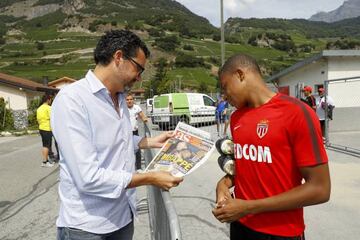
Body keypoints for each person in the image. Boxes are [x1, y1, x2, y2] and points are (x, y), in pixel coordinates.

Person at [51, 30, 183, 240]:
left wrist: (147, 141)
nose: (139, 77)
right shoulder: (72, 100)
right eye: (138, 69)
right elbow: (88, 178)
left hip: (123, 217)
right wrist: (150, 178)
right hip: (88, 227)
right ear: (119, 57)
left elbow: (112, 140)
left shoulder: (120, 97)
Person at [212, 53, 331, 240]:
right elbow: (247, 168)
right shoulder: (237, 118)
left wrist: (248, 207)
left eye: (225, 87)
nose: (225, 96)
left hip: (281, 233)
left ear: (240, 74)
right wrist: (224, 183)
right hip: (240, 226)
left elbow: (320, 189)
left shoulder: (298, 113)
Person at [126, 92, 148, 170]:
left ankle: (138, 168)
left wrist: (144, 119)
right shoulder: (123, 108)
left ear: (133, 100)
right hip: (125, 133)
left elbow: (142, 115)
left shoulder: (136, 107)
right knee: (127, 151)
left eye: (131, 99)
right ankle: (129, 169)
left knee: (137, 150)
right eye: (127, 99)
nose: (129, 101)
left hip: (135, 132)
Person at [36, 93, 54, 167]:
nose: (51, 101)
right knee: (47, 146)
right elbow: (53, 117)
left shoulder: (39, 108)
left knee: (44, 145)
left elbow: (38, 119)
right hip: (47, 128)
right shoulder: (48, 108)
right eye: (50, 100)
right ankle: (45, 162)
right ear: (48, 100)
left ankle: (46, 160)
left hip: (41, 128)